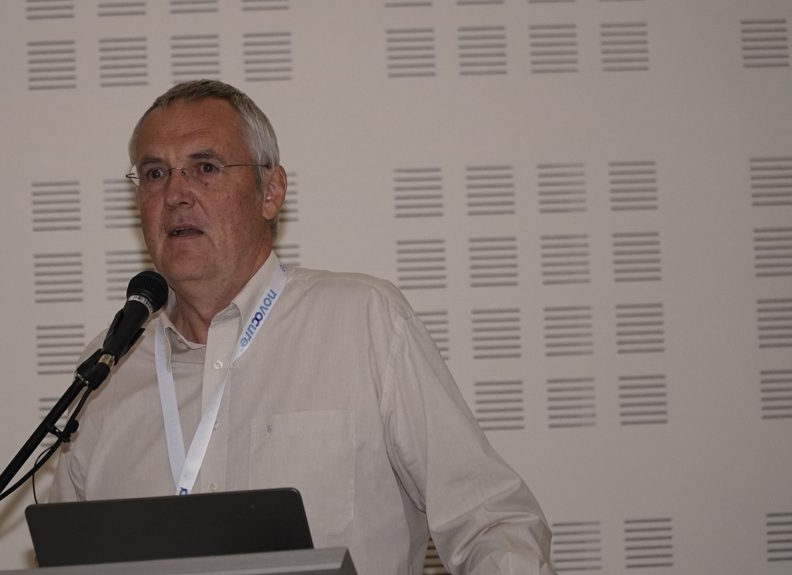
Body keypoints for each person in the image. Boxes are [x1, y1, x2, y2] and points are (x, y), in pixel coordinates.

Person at [49, 80, 555, 574]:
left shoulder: (365, 322)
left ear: (270, 192)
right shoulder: (108, 371)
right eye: (155, 173)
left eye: (205, 168)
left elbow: (490, 524)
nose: (176, 194)